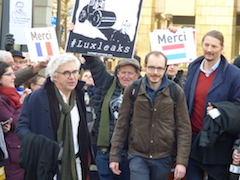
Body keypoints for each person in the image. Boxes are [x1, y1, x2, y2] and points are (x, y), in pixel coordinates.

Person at [109, 51, 192, 180]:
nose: (155, 72)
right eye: (151, 67)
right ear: (145, 66)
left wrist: (181, 161)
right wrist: (115, 156)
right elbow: (122, 124)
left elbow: (184, 128)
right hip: (137, 155)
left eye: (159, 68)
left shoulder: (175, 91)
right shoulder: (132, 89)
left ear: (165, 68)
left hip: (164, 156)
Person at [16, 53, 94, 180]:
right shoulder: (37, 97)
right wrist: (41, 144)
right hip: (47, 165)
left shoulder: (79, 95)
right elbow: (21, 128)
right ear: (54, 76)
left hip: (75, 163)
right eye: (66, 73)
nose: (72, 77)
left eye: (75, 72)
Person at [184, 30, 240, 180]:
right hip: (193, 140)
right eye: (206, 45)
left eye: (214, 46)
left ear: (222, 49)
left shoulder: (234, 75)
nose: (209, 49)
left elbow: (238, 109)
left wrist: (221, 111)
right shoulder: (193, 68)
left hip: (218, 144)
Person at [81, 55, 141, 180]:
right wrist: (81, 37)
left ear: (137, 75)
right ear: (117, 73)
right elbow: (94, 63)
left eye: (130, 73)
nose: (126, 76)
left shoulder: (144, 91)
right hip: (105, 150)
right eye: (123, 72)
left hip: (132, 152)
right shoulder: (107, 84)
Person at [0, 61, 31, 180]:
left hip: (21, 150)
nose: (14, 77)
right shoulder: (1, 99)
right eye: (9, 74)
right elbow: (15, 122)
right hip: (11, 155)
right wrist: (23, 104)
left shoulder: (13, 95)